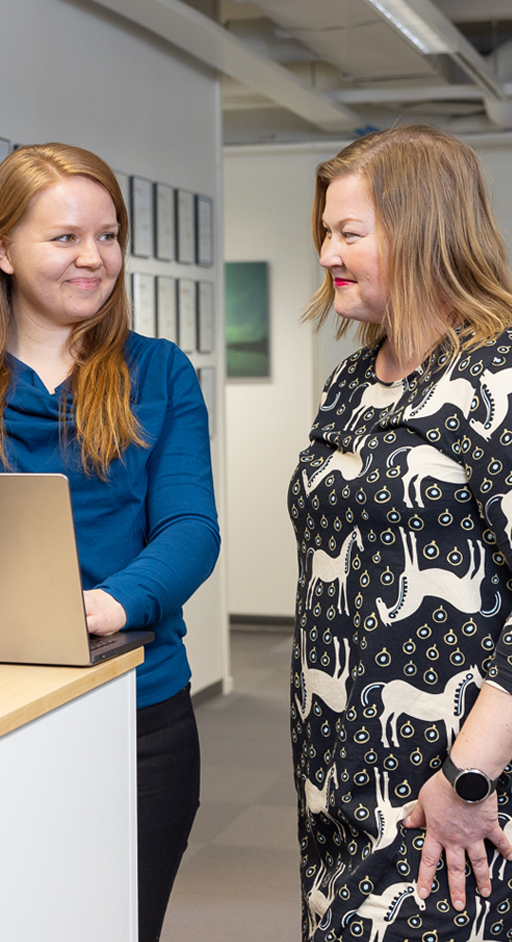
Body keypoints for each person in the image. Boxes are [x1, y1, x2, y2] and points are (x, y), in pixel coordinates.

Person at [0, 143, 220, 942]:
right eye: (66, 237)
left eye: (108, 236)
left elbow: (191, 528)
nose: (94, 258)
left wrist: (108, 605)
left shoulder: (160, 371)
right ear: (2, 249)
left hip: (134, 717)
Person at [289, 124, 512, 942]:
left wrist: (467, 779)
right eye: (324, 230)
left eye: (349, 233)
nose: (325, 251)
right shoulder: (352, 380)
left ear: (423, 233)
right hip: (334, 776)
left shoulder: (498, 377)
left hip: (448, 791)